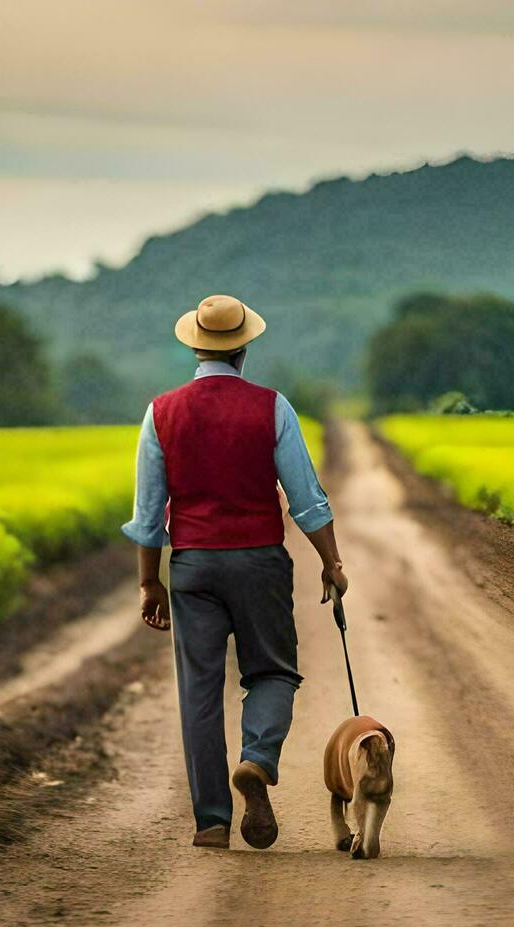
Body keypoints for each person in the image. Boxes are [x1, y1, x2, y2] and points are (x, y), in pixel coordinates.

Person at [121, 294, 348, 850]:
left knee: (198, 693)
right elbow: (307, 500)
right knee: (272, 672)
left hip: (192, 565)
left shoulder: (160, 412)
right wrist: (332, 561)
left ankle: (212, 822)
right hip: (259, 561)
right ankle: (257, 758)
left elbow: (149, 515)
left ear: (195, 346)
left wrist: (150, 581)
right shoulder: (273, 407)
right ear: (244, 347)